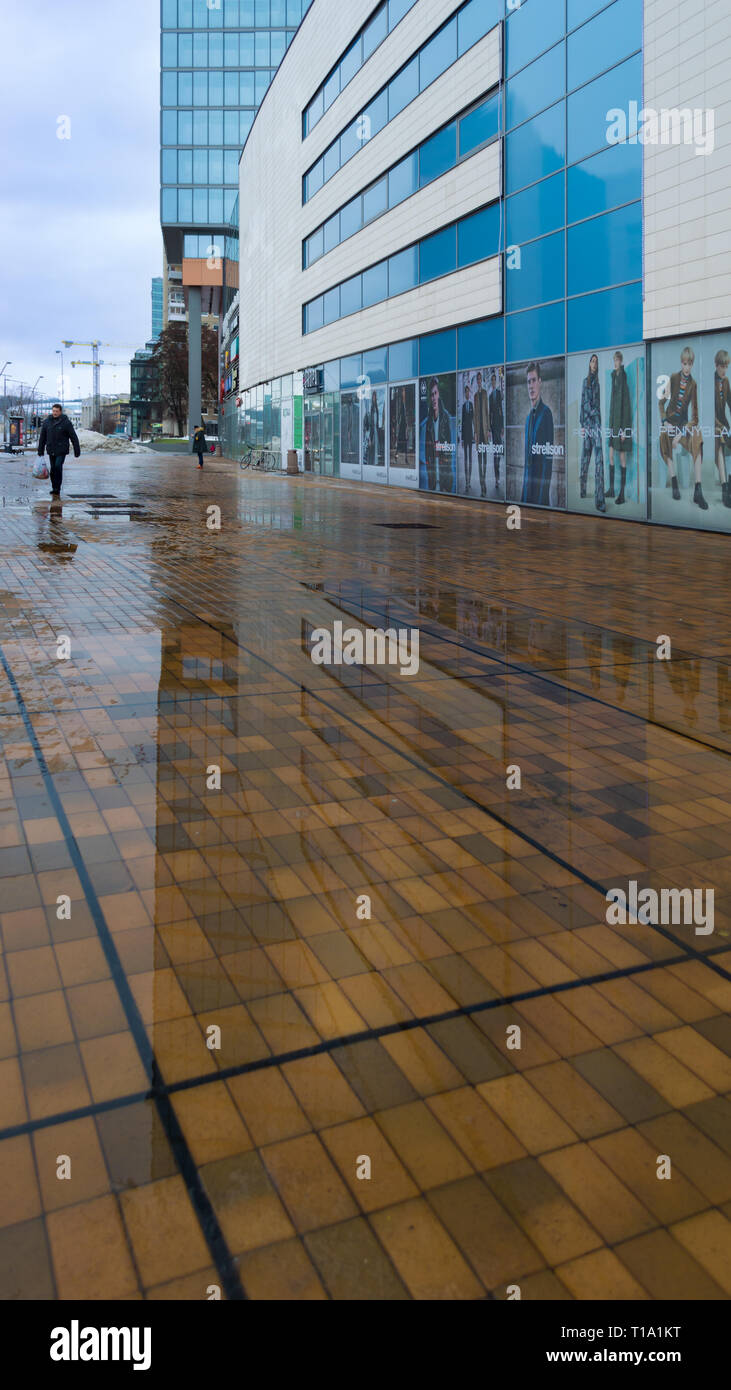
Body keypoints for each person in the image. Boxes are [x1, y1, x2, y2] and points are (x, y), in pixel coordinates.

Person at [659, 345, 706, 509]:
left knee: (697, 437)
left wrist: (682, 433)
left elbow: (695, 417)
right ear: (681, 363)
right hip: (670, 423)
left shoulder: (693, 384)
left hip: (683, 426)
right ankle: (674, 482)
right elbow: (661, 402)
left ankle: (698, 491)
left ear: (692, 364)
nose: (687, 367)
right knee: (664, 438)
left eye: (690, 364)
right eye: (685, 363)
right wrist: (664, 421)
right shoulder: (673, 378)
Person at [521, 362, 554, 506]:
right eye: (528, 382)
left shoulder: (546, 414)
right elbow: (526, 462)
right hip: (528, 491)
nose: (531, 385)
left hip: (539, 495)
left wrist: (542, 500)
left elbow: (548, 462)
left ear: (540, 382)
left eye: (534, 380)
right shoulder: (528, 419)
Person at [579, 353, 605, 513]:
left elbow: (598, 405)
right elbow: (584, 403)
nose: (594, 364)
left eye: (596, 361)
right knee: (585, 460)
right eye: (592, 361)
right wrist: (582, 424)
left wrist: (599, 422)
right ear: (589, 364)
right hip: (588, 424)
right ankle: (582, 490)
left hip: (596, 425)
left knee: (599, 462)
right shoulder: (585, 382)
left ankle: (599, 501)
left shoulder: (598, 383)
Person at [38, 402, 80, 498]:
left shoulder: (66, 422)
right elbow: (42, 437)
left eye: (56, 411)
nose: (55, 413)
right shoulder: (47, 422)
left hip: (62, 449)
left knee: (58, 466)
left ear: (60, 411)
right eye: (53, 411)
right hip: (51, 448)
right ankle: (54, 488)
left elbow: (73, 436)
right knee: (53, 469)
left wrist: (77, 450)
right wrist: (40, 450)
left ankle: (58, 488)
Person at [608, 350, 632, 504]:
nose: (616, 362)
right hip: (613, 425)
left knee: (622, 458)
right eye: (614, 360)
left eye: (618, 360)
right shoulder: (614, 377)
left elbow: (625, 405)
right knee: (610, 455)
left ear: (621, 361)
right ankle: (611, 490)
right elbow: (612, 405)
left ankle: (622, 493)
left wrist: (624, 429)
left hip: (621, 426)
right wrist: (611, 427)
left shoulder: (622, 377)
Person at [424, 376, 453, 492]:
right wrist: (428, 469)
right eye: (431, 395)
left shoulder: (445, 417)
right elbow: (426, 449)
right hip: (433, 474)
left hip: (443, 473)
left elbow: (449, 448)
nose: (434, 397)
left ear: (438, 394)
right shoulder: (429, 420)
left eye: (435, 393)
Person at [712, 348, 731, 508]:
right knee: (719, 448)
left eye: (727, 366)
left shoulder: (726, 381)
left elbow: (730, 402)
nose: (725, 370)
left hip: (723, 421)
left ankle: (728, 482)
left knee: (727, 449)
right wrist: (718, 425)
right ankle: (725, 489)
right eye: (722, 366)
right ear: (716, 365)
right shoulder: (710, 380)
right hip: (712, 421)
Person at [473, 370, 490, 496]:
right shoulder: (475, 396)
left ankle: (484, 480)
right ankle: (481, 484)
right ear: (476, 381)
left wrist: (488, 429)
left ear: (482, 380)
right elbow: (474, 415)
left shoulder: (484, 394)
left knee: (485, 458)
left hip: (484, 430)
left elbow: (487, 412)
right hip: (478, 431)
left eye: (480, 379)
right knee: (479, 459)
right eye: (477, 379)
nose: (479, 381)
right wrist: (475, 432)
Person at [488, 369, 503, 492]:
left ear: (496, 382)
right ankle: (496, 478)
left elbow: (500, 410)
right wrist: (489, 427)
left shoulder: (498, 394)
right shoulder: (489, 396)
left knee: (499, 449)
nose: (493, 382)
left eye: (494, 380)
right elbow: (490, 413)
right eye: (492, 380)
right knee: (495, 452)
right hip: (493, 427)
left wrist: (502, 426)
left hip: (499, 426)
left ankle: (498, 475)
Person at [460, 380, 474, 493]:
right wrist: (462, 438)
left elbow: (473, 421)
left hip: (471, 436)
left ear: (469, 393)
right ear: (465, 394)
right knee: (465, 459)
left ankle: (469, 480)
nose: (467, 394)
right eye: (466, 392)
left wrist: (475, 435)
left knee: (470, 459)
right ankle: (466, 482)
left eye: (468, 392)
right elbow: (463, 422)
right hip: (465, 436)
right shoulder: (464, 406)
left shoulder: (471, 405)